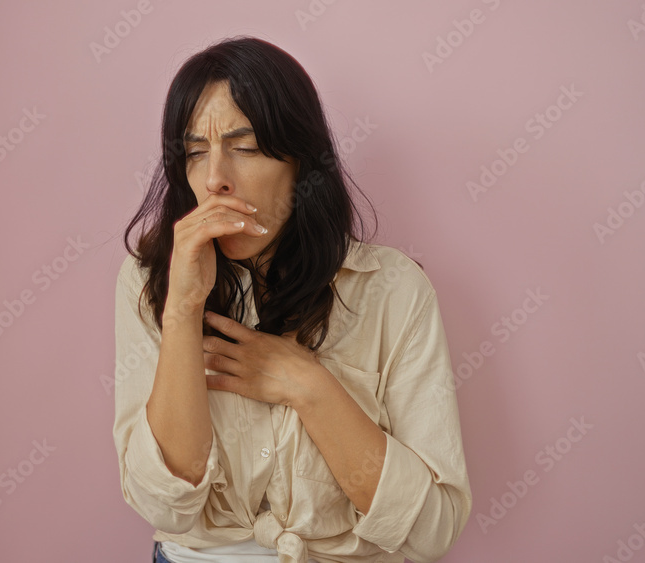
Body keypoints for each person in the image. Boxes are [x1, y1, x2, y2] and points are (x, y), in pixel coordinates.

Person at [114, 36, 472, 563]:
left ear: (300, 161)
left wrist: (308, 386)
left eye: (245, 147)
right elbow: (164, 505)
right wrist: (184, 310)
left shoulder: (394, 289)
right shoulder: (151, 281)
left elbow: (431, 531)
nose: (215, 179)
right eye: (195, 153)